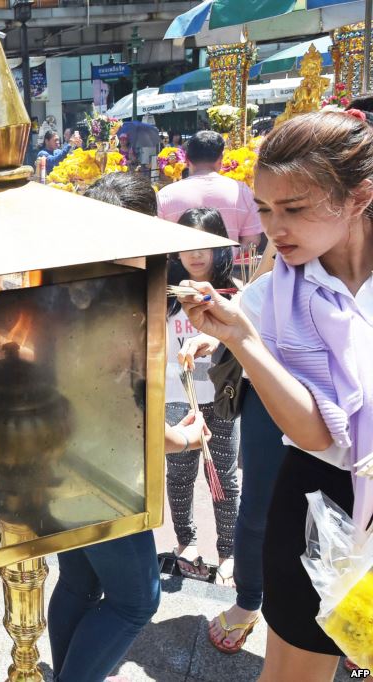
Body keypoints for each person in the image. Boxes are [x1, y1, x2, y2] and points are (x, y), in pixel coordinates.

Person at [176, 111, 373, 682]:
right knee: (294, 669)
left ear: (358, 198)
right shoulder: (266, 301)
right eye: (264, 210)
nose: (274, 228)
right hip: (321, 496)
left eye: (293, 209)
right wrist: (240, 337)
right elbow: (316, 433)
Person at [47, 172, 163, 682]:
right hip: (105, 472)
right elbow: (117, 410)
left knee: (77, 581)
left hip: (54, 459)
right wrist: (179, 438)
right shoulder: (123, 303)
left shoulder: (58, 285)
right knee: (137, 600)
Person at [165, 208, 241, 584]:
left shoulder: (234, 293)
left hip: (223, 396)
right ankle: (185, 543)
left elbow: (240, 341)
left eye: (206, 246)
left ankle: (228, 550)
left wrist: (213, 339)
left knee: (224, 475)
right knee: (180, 474)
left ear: (220, 248)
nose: (196, 255)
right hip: (175, 394)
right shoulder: (164, 295)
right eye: (187, 246)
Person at [157, 131, 263, 251]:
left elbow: (159, 242)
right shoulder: (242, 192)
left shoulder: (165, 195)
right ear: (221, 159)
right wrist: (229, 255)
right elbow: (252, 241)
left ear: (186, 159)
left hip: (180, 268)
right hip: (229, 268)